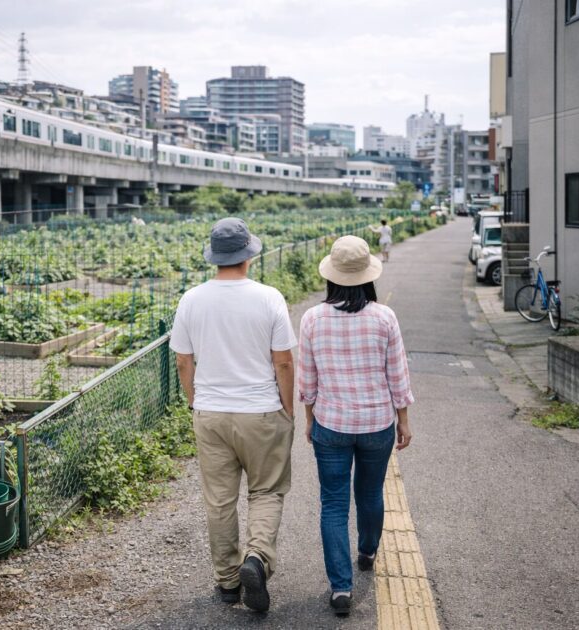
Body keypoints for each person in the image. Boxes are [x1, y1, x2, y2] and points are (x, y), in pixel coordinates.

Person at [170, 217, 297, 614]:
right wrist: (287, 409)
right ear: (248, 255)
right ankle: (256, 559)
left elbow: (183, 362)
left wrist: (195, 402)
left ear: (215, 258)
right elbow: (284, 363)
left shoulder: (192, 299)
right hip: (260, 411)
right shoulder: (269, 297)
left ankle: (227, 582)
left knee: (220, 500)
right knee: (266, 490)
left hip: (211, 412)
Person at [298, 235, 414, 618]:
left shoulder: (312, 318)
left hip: (331, 423)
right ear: (367, 276)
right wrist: (403, 420)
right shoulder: (385, 317)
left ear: (332, 276)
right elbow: (397, 373)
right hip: (376, 423)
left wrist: (310, 420)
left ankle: (341, 588)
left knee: (333, 503)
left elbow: (307, 380)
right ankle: (367, 551)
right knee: (370, 493)